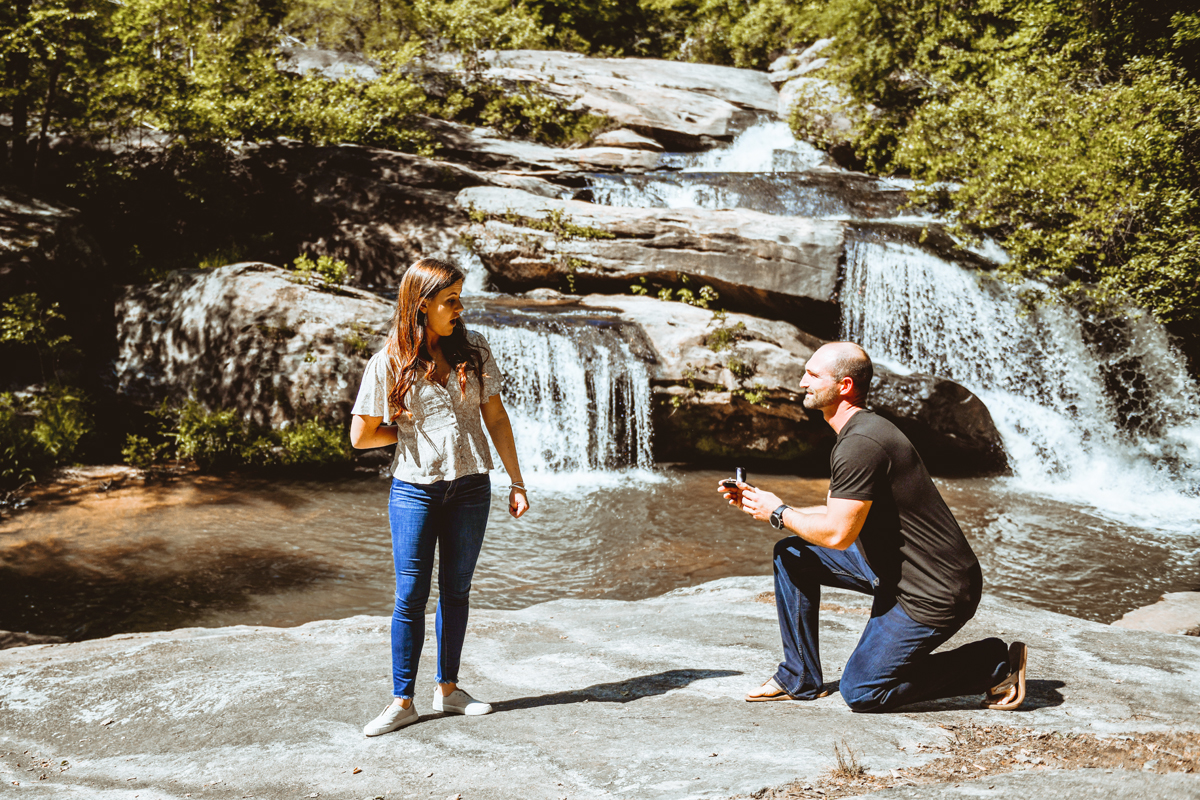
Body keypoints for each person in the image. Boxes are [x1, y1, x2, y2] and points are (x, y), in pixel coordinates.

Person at [720, 342, 1027, 713]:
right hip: (894, 570)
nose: (802, 382)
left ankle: (993, 664)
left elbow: (837, 535)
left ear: (844, 386)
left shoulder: (860, 443)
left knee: (863, 691)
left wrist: (779, 512)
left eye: (813, 375)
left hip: (933, 590)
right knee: (792, 554)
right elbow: (842, 514)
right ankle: (799, 676)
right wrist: (765, 504)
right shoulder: (859, 433)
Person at [351, 257, 529, 737]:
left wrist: (517, 481)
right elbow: (360, 436)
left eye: (459, 298)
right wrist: (408, 428)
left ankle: (448, 690)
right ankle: (402, 701)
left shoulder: (475, 350)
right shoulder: (389, 361)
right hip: (414, 489)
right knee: (410, 595)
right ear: (422, 304)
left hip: (472, 484)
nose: (460, 307)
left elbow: (496, 419)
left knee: (456, 590)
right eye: (450, 300)